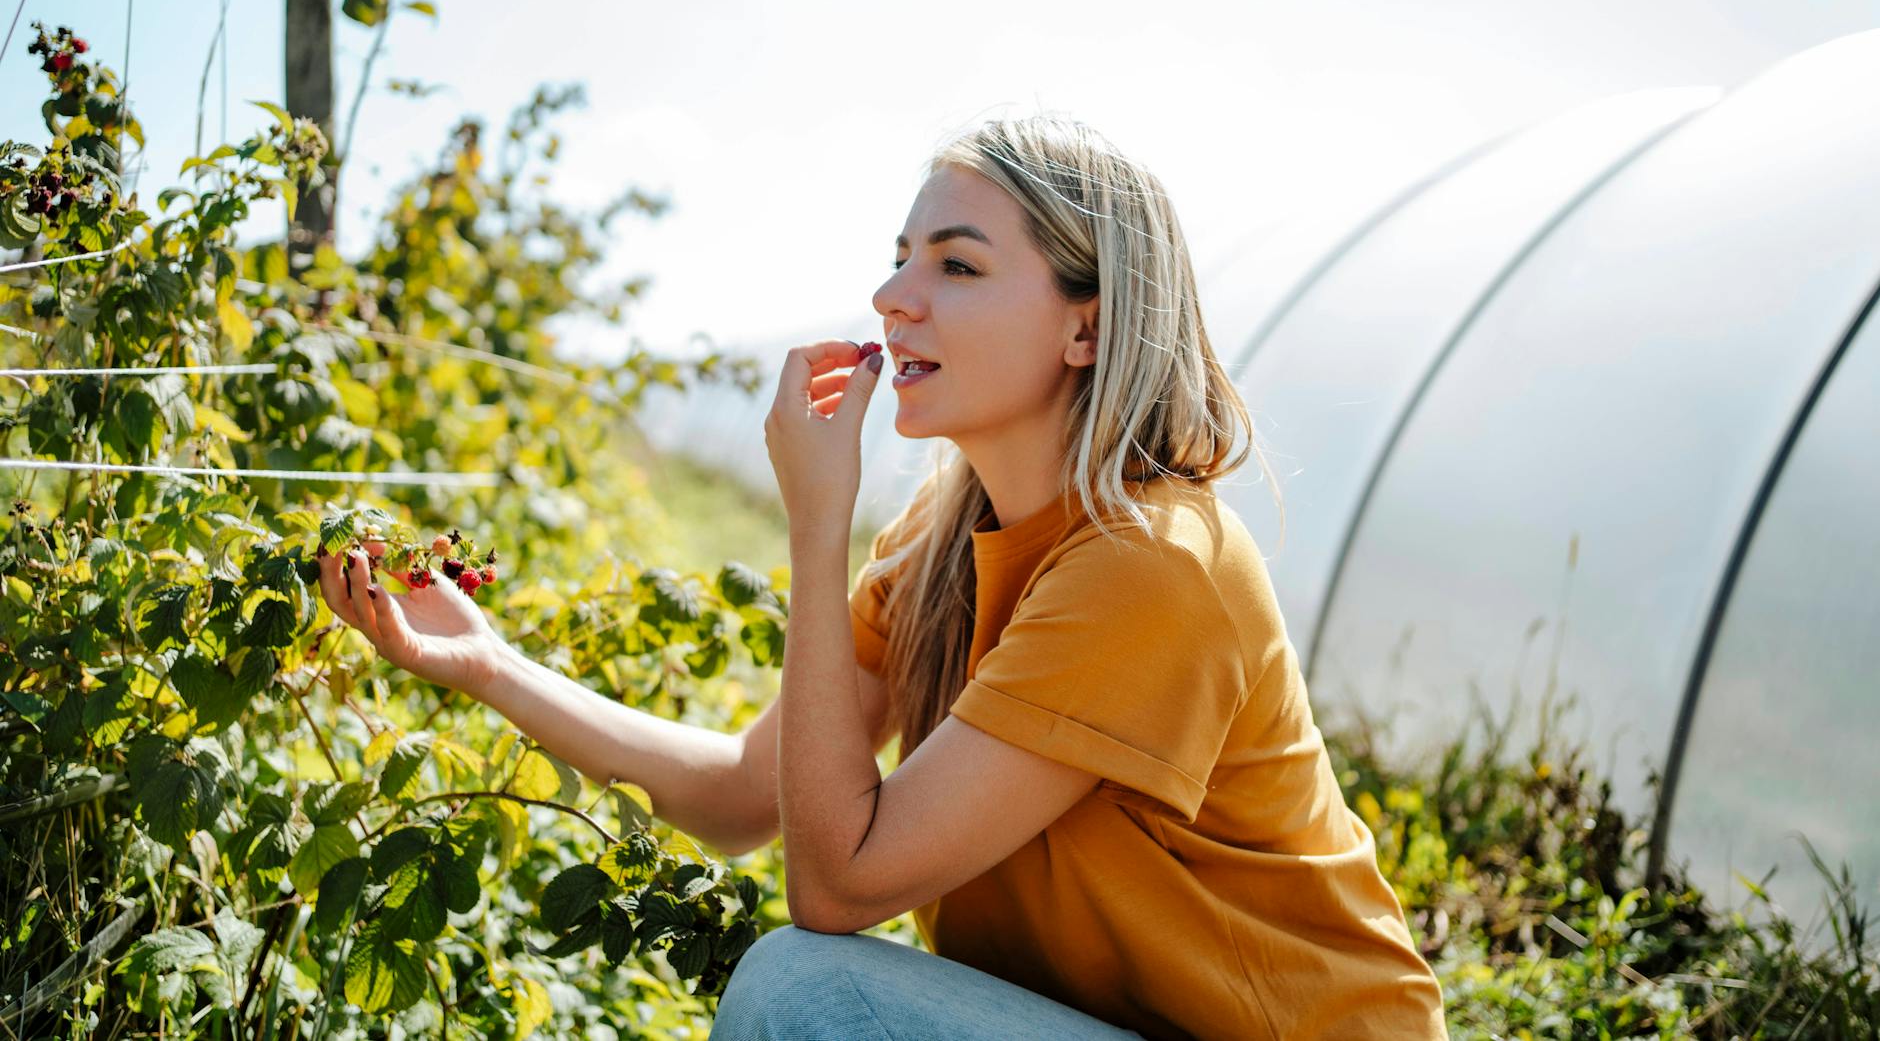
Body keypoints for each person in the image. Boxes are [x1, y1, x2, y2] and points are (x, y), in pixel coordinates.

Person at [318, 114, 1449, 1040]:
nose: (894, 296)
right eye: (899, 257)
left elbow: (839, 884)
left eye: (955, 264)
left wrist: (815, 530)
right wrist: (485, 662)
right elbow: (737, 795)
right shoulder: (938, 536)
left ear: (1085, 329)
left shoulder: (1151, 565)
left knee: (804, 987)